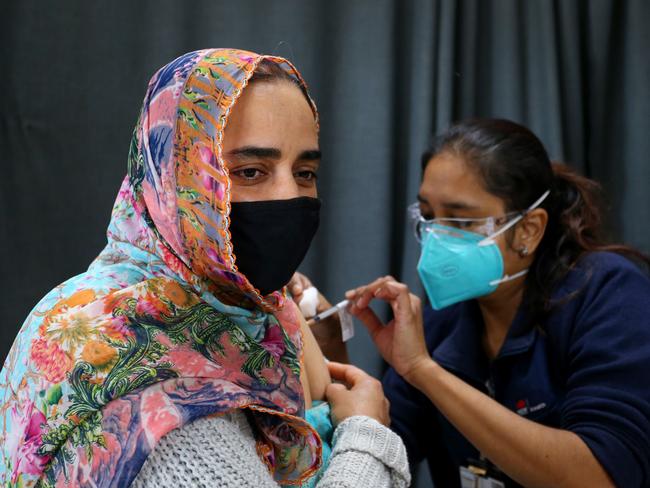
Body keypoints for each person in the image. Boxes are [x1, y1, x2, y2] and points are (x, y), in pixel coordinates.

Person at [0, 49, 409, 488]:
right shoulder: (150, 386)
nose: (289, 196)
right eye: (250, 172)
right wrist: (368, 435)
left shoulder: (245, 315)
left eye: (305, 172)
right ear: (174, 179)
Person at [343, 119, 650, 487]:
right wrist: (327, 349)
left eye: (462, 221)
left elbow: (600, 475)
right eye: (428, 217)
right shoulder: (448, 313)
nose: (437, 240)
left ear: (528, 230)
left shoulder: (608, 291)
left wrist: (424, 371)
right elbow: (383, 452)